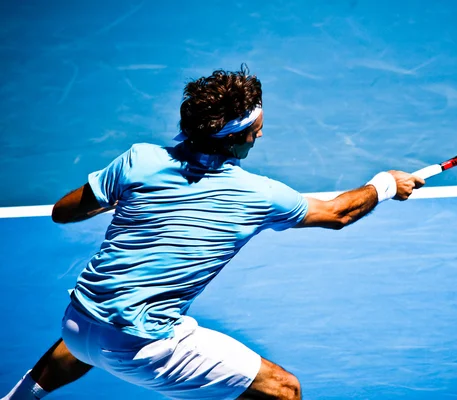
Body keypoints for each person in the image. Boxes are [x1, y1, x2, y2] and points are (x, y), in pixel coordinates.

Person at [3, 66, 424, 400]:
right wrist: (385, 184)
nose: (261, 132)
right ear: (238, 138)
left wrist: (128, 194)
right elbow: (338, 213)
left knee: (101, 330)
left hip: (76, 324)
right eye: (256, 129)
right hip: (142, 347)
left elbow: (63, 212)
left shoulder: (139, 161)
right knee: (283, 390)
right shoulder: (258, 194)